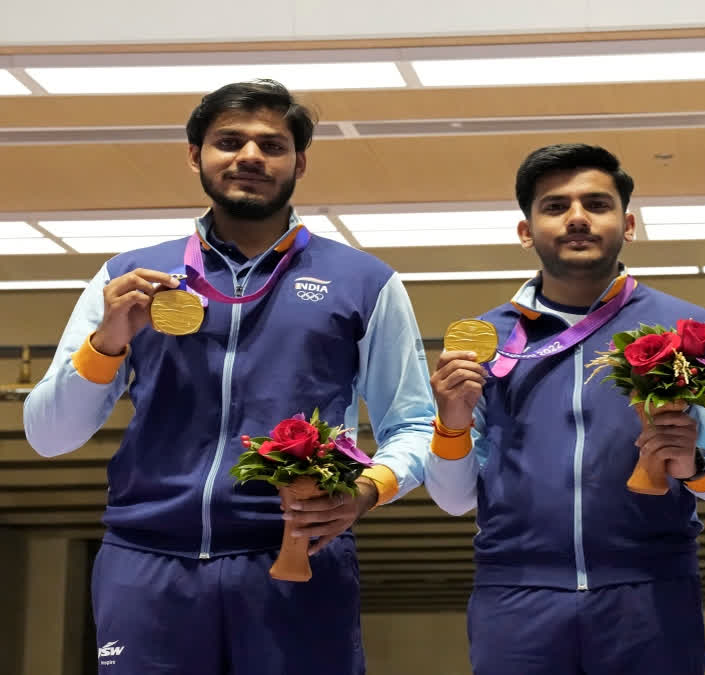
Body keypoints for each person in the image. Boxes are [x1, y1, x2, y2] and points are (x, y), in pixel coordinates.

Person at [23, 79, 435, 674]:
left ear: (300, 162)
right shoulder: (128, 279)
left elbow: (415, 424)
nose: (250, 157)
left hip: (298, 553)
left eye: (272, 145)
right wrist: (107, 342)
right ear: (195, 155)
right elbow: (48, 435)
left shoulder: (365, 282)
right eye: (229, 141)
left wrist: (369, 490)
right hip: (146, 559)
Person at [426, 143, 705, 674]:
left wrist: (694, 464)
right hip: (515, 596)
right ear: (526, 231)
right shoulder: (482, 343)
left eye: (596, 205)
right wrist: (453, 422)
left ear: (628, 224)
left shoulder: (695, 329)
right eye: (555, 207)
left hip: (650, 592)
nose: (577, 218)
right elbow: (452, 498)